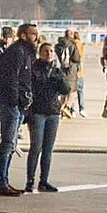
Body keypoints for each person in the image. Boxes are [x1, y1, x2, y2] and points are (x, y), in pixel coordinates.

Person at [0, 22, 38, 197]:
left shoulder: (25, 52)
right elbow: (13, 79)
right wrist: (17, 100)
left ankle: (4, 181)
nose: (35, 37)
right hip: (9, 103)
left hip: (15, 103)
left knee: (11, 144)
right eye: (32, 34)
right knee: (8, 144)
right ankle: (1, 182)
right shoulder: (17, 52)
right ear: (23, 35)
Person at [26, 41, 67, 193]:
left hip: (53, 112)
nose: (49, 54)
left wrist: (59, 78)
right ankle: (30, 180)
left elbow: (66, 89)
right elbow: (35, 86)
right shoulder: (35, 69)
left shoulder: (56, 70)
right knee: (36, 147)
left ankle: (44, 180)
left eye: (51, 51)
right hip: (38, 111)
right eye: (45, 51)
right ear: (40, 53)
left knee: (48, 149)